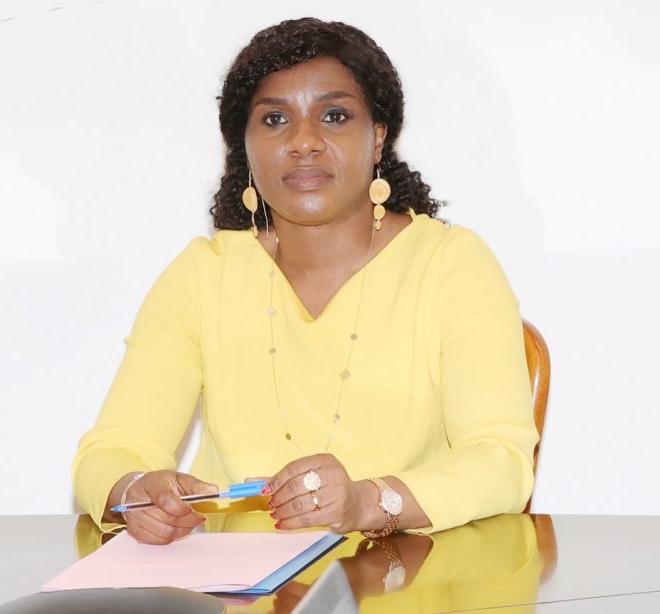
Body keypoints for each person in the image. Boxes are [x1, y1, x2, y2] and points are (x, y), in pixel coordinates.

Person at [72, 17, 538, 546]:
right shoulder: (205, 274)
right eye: (274, 119)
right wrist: (135, 490)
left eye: (334, 116)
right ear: (245, 147)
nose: (304, 142)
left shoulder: (451, 265)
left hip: (405, 573)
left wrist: (369, 501)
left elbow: (500, 460)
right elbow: (111, 450)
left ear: (378, 137)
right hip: (236, 581)